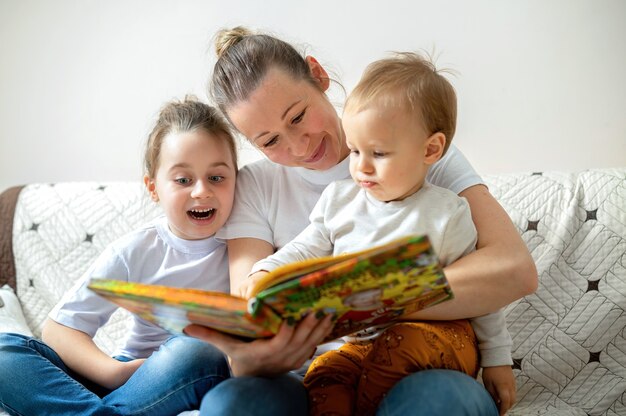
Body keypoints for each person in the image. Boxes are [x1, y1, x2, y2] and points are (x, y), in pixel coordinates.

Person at [185, 26, 537, 416]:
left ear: (318, 75)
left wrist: (371, 301)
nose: (299, 145)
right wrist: (267, 341)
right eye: (269, 141)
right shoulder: (262, 187)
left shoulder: (416, 148)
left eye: (298, 116)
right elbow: (247, 339)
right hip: (314, 375)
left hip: (417, 365)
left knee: (440, 402)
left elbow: (513, 271)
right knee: (230, 403)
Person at [0, 97, 238, 415]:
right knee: (4, 352)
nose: (201, 191)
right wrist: (113, 371)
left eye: (216, 178)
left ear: (238, 181)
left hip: (191, 372)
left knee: (196, 350)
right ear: (153, 188)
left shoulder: (248, 244)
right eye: (183, 180)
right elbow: (60, 329)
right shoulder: (137, 250)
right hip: (128, 379)